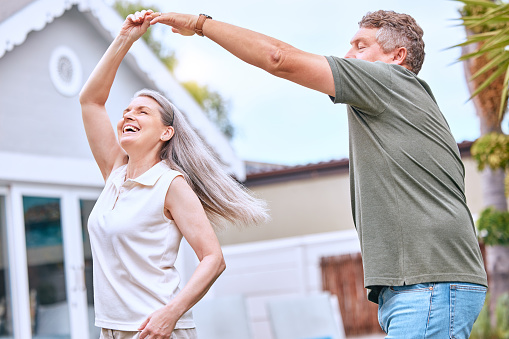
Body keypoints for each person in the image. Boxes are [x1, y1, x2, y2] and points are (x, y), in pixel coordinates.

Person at [149, 9, 489, 338]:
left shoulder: (389, 80)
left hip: (428, 283)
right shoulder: (403, 100)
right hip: (425, 284)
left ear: (397, 56)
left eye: (361, 46)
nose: (348, 55)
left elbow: (278, 58)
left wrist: (201, 24)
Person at [79, 10, 268, 339]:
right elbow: (91, 101)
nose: (128, 115)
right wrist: (125, 37)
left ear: (166, 133)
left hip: (156, 330)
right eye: (126, 111)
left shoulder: (170, 184)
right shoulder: (115, 172)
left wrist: (171, 313)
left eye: (142, 111)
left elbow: (213, 258)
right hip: (110, 329)